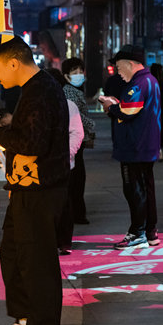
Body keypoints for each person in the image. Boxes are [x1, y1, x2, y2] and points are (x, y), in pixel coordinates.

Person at [0, 37, 69, 325]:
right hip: (24, 187)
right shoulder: (32, 91)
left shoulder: (43, 91)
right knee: (14, 254)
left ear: (14, 63)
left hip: (42, 189)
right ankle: (25, 320)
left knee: (38, 261)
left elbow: (32, 142)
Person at [100, 45, 161, 249]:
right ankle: (149, 231)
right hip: (145, 144)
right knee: (145, 187)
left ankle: (138, 232)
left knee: (134, 189)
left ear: (130, 64)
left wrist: (110, 106)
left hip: (135, 145)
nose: (118, 72)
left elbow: (129, 111)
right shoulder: (150, 80)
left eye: (119, 67)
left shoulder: (139, 83)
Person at [46, 67, 84, 256]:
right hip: (45, 164)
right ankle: (51, 239)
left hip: (63, 163)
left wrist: (67, 153)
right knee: (49, 203)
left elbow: (77, 132)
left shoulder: (68, 105)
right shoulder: (41, 105)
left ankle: (64, 241)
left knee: (64, 202)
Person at [61, 58, 95, 225]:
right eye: (74, 73)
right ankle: (77, 214)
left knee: (78, 178)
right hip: (73, 141)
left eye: (80, 71)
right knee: (76, 178)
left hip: (79, 139)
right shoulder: (68, 91)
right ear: (66, 76)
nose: (79, 75)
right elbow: (75, 115)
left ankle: (78, 213)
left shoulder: (77, 91)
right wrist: (91, 124)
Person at [149, 63, 163, 161]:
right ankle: (159, 150)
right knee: (161, 131)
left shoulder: (149, 81)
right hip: (161, 110)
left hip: (150, 111)